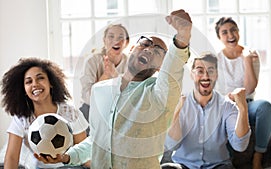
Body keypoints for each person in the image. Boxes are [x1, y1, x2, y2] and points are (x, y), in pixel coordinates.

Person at [37, 9, 192, 169]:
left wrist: (183, 36)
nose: (148, 49)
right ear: (131, 49)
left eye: (158, 51)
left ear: (161, 66)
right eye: (144, 44)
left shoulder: (160, 94)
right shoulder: (99, 91)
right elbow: (96, 142)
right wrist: (67, 156)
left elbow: (173, 67)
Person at [161, 53, 251, 169]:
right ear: (192, 74)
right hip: (184, 166)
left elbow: (240, 146)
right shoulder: (180, 103)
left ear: (217, 75)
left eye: (211, 71)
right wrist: (177, 111)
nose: (205, 76)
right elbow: (171, 145)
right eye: (200, 71)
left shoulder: (227, 106)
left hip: (218, 166)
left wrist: (243, 109)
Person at [1, 57, 89, 168]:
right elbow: (12, 157)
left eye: (40, 78)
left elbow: (85, 154)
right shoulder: (22, 119)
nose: (35, 84)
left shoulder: (71, 114)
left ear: (51, 83)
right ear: (24, 90)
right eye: (29, 81)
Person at [214, 17, 271, 169]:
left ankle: (257, 157)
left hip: (248, 105)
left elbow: (250, 88)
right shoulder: (215, 59)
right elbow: (214, 91)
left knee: (265, 106)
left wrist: (246, 60)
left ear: (239, 32)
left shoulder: (251, 55)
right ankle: (227, 162)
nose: (230, 35)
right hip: (226, 106)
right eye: (224, 32)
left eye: (233, 30)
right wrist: (227, 98)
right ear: (219, 37)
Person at [79, 24, 130, 134]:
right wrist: (106, 75)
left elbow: (130, 96)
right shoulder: (92, 61)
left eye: (120, 37)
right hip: (91, 111)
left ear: (127, 42)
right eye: (111, 37)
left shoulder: (130, 63)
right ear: (104, 40)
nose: (116, 41)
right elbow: (87, 97)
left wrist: (115, 74)